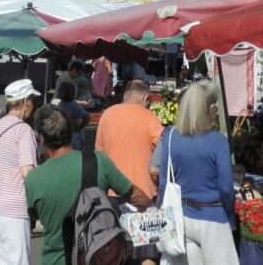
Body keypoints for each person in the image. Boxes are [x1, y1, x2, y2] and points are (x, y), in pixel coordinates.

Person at [25, 105, 150, 265]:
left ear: (42, 139)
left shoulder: (34, 179)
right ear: (70, 131)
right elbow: (134, 195)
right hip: (97, 256)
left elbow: (35, 214)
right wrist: (151, 207)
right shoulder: (99, 161)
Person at [155, 82, 238, 265]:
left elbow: (163, 183)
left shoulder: (170, 137)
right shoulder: (218, 141)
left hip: (182, 217)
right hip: (213, 217)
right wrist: (231, 218)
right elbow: (226, 188)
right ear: (210, 109)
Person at [95, 80, 163, 265]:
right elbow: (164, 145)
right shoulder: (149, 117)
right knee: (147, 252)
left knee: (115, 253)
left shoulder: (107, 115)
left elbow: (99, 154)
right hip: (143, 195)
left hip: (111, 194)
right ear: (146, 98)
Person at [0, 79, 40, 265]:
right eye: (32, 101)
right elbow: (27, 171)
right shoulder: (23, 130)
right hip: (13, 211)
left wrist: (0, 180)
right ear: (26, 101)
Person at [55, 82, 89, 151]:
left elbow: (87, 117)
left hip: (74, 138)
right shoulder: (61, 104)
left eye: (61, 90)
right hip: (66, 137)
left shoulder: (73, 105)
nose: (58, 91)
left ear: (66, 93)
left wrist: (78, 128)